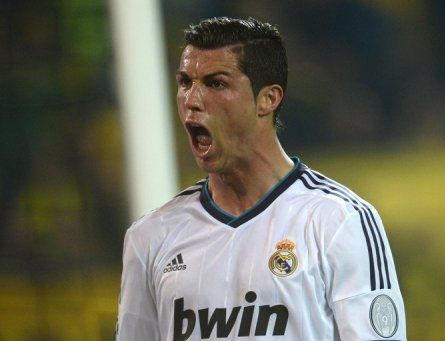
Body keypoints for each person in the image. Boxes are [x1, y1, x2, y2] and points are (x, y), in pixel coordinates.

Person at [116, 17, 406, 340]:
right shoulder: (151, 238)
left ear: (268, 99)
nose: (192, 101)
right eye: (185, 82)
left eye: (216, 83)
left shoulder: (339, 222)